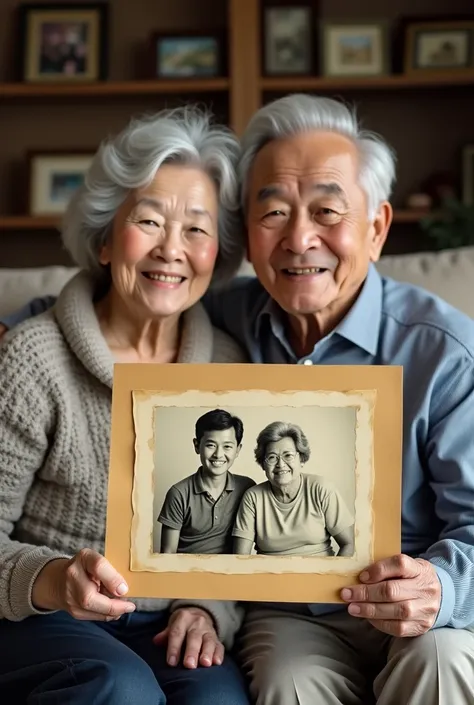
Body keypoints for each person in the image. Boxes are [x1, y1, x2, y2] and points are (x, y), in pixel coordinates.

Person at [5, 93, 474, 704]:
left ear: (378, 227)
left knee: (435, 661)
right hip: (276, 618)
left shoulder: (440, 352)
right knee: (278, 681)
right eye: (274, 211)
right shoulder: (230, 323)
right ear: (249, 240)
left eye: (328, 210)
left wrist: (442, 586)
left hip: (404, 606)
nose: (300, 237)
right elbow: (107, 315)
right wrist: (24, 325)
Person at [0, 106, 251, 705]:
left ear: (218, 252)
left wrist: (207, 606)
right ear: (106, 240)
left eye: (197, 228)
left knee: (218, 699)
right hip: (43, 618)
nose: (172, 249)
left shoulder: (230, 365)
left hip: (165, 625)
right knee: (121, 688)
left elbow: (243, 536)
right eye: (148, 221)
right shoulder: (33, 357)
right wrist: (56, 580)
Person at [233, 421, 354, 557]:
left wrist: (333, 577)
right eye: (272, 457)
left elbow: (348, 544)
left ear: (301, 459)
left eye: (288, 455)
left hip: (318, 574)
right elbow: (241, 558)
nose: (280, 464)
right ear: (263, 464)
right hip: (270, 576)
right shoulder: (253, 497)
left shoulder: (321, 489)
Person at [158, 408, 255, 554]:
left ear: (237, 450)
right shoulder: (179, 493)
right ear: (197, 446)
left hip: (229, 574)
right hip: (187, 573)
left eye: (227, 446)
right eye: (211, 445)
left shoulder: (247, 488)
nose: (218, 454)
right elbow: (167, 553)